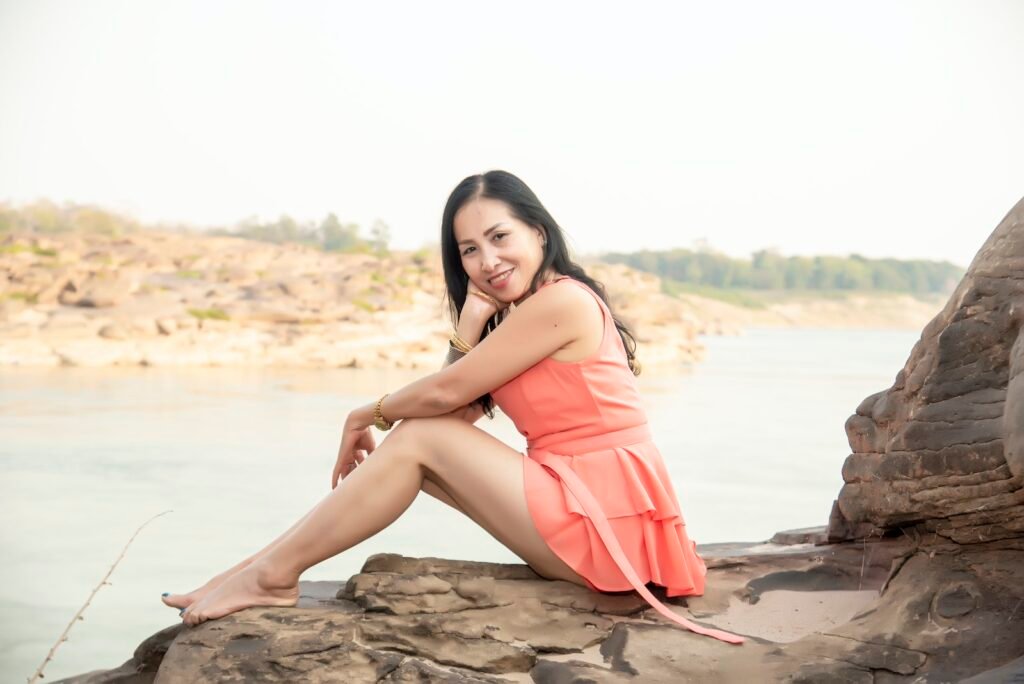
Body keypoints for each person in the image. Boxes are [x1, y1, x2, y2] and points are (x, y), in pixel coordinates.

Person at [162, 170, 745, 645]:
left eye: (499, 237)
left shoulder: (561, 301)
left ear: (538, 232)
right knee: (420, 437)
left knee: (415, 437)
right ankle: (249, 574)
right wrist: (468, 327)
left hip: (603, 518)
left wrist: (364, 413)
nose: (487, 260)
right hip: (580, 502)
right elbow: (452, 410)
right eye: (469, 249)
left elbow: (440, 399)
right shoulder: (525, 312)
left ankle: (270, 575)